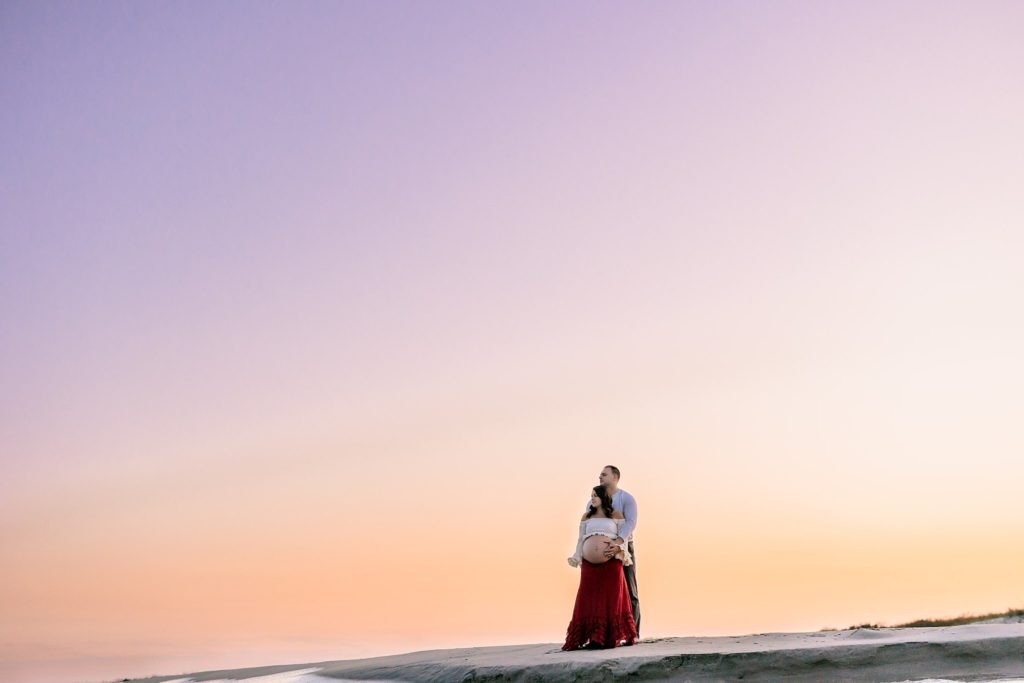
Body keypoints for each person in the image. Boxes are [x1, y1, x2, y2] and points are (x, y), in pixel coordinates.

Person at [561, 484, 638, 650]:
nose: (592, 498)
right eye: (591, 495)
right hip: (589, 565)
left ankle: (610, 638)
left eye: (595, 495)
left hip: (611, 564)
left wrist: (619, 548)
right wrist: (577, 556)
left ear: (603, 497)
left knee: (610, 599)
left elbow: (623, 536)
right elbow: (580, 539)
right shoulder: (586, 517)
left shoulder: (615, 515)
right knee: (589, 599)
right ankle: (593, 638)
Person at [590, 465, 640, 636]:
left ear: (615, 477)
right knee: (604, 594)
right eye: (599, 475)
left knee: (629, 589)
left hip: (623, 548)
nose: (600, 477)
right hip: (601, 554)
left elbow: (630, 523)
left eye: (604, 474)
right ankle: (606, 633)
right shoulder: (592, 501)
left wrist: (618, 543)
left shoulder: (626, 498)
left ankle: (633, 632)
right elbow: (588, 524)